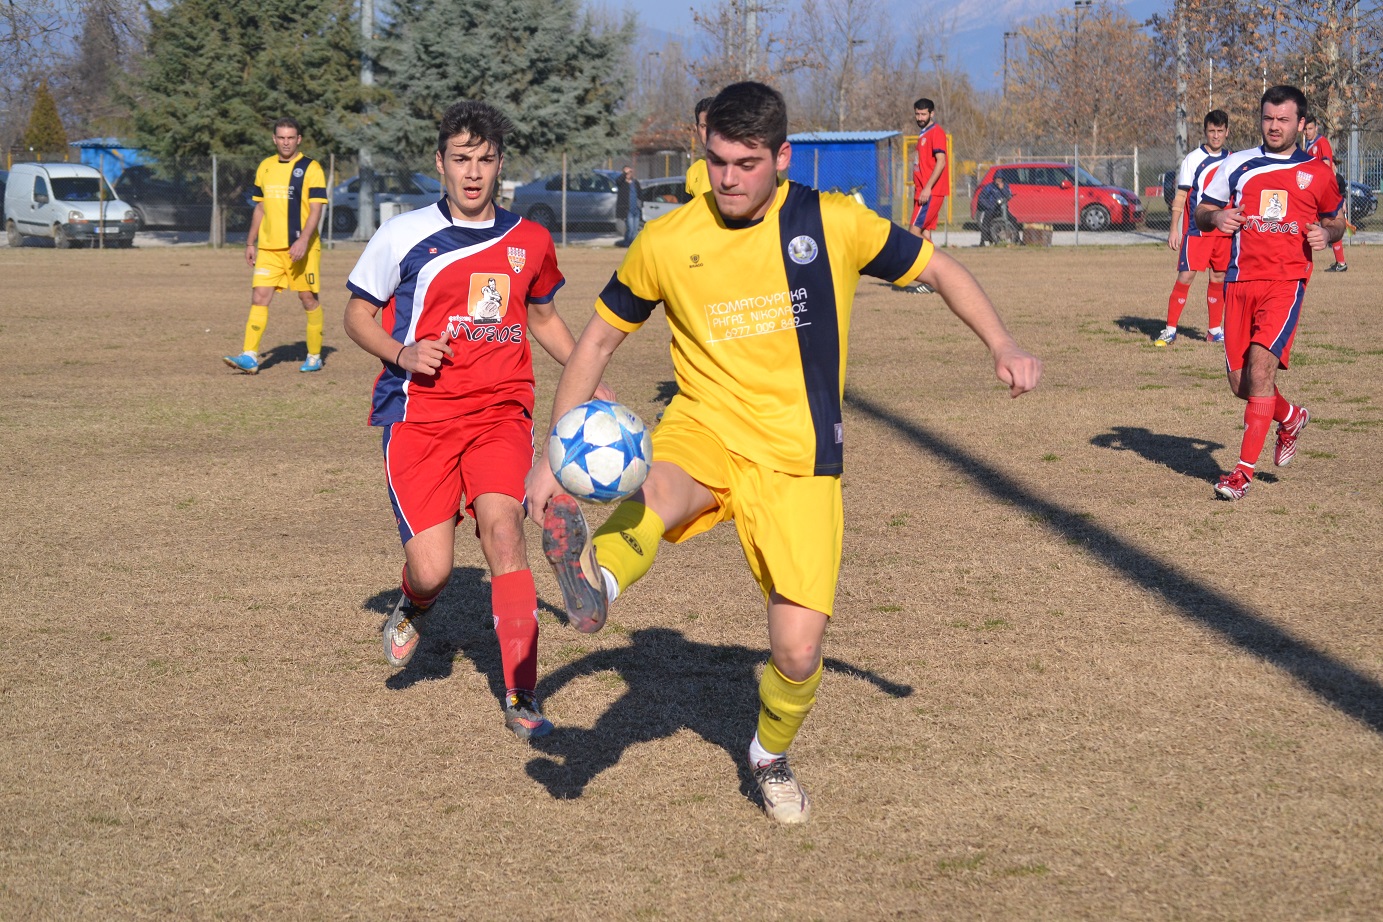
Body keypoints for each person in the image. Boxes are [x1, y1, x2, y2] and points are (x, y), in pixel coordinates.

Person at [525, 82, 1041, 824]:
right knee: (657, 490)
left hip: (801, 461)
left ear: (781, 156)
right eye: (715, 161)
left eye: (744, 162)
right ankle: (593, 583)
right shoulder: (668, 240)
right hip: (705, 426)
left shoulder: (832, 222)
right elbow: (599, 338)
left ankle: (767, 754)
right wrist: (555, 449)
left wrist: (1002, 342)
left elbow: (937, 268)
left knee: (796, 653)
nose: (727, 178)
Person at [342, 100, 611, 739]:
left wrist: (590, 381)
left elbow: (542, 317)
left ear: (499, 167)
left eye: (485, 161)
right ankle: (415, 603)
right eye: (460, 160)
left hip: (499, 413)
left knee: (504, 532)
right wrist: (401, 351)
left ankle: (523, 694)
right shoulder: (402, 234)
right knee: (433, 567)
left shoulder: (529, 240)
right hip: (419, 416)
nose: (472, 173)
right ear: (440, 163)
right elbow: (355, 314)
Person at [1196, 85, 1344, 501]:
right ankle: (1291, 416)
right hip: (1239, 282)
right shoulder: (1237, 164)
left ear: (1301, 123)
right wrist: (1218, 216)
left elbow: (1336, 219)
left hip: (1286, 283)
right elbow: (1202, 211)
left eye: (1283, 120)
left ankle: (1241, 474)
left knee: (1261, 373)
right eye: (1268, 118)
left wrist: (1326, 231)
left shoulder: (1317, 172)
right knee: (1241, 384)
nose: (1274, 126)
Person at [224, 118, 329, 374]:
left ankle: (314, 355)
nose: (286, 142)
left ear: (298, 139)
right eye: (281, 137)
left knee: (308, 299)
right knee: (259, 296)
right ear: (274, 139)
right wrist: (251, 241)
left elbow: (316, 209)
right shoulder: (266, 167)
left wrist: (303, 239)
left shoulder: (311, 168)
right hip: (269, 248)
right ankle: (249, 355)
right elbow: (260, 207)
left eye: (290, 137)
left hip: (301, 248)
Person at [1156, 110, 1232, 347]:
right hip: (1197, 230)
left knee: (1218, 277)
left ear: (1227, 132)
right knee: (1186, 276)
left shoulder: (1233, 159)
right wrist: (1174, 228)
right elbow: (1181, 195)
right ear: (1205, 132)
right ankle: (1169, 330)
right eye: (1212, 131)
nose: (1216, 135)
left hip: (1224, 231)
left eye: (1220, 131)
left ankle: (1214, 330)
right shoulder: (1193, 159)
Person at [895, 97, 948, 294]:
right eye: (917, 114)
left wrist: (927, 188)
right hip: (923, 192)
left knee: (913, 234)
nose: (920, 117)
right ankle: (936, 277)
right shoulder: (923, 133)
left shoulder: (936, 133)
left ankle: (937, 275)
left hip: (930, 193)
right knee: (925, 234)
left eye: (923, 114)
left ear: (932, 114)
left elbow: (941, 161)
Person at [1304, 115, 1348, 273]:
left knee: (1329, 223)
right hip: (1317, 188)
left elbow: (1326, 165)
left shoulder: (1321, 142)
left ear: (1316, 128)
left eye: (1310, 128)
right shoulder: (1309, 145)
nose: (1308, 132)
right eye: (1305, 129)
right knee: (1314, 222)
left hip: (1325, 188)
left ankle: (1341, 263)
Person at [684, 97, 714, 199]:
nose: (709, 132)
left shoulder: (741, 167)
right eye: (704, 126)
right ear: (697, 129)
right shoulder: (693, 172)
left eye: (714, 125)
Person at [975, 174, 1014, 245]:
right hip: (991, 208)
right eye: (997, 179)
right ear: (994, 179)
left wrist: (1002, 189)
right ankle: (983, 241)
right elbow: (981, 198)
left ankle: (1016, 239)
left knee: (1013, 220)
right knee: (986, 222)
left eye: (1000, 179)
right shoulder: (989, 187)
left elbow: (1008, 195)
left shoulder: (1005, 186)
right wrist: (989, 206)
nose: (998, 181)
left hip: (1002, 208)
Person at [615, 165, 641, 247]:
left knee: (635, 229)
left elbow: (640, 194)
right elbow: (618, 181)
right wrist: (624, 173)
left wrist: (641, 204)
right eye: (627, 173)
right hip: (628, 209)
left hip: (636, 209)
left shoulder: (635, 183)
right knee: (630, 228)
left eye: (630, 172)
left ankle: (632, 244)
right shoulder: (622, 183)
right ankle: (627, 243)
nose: (629, 174)